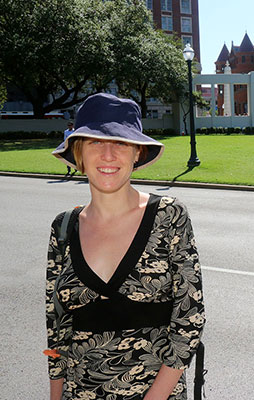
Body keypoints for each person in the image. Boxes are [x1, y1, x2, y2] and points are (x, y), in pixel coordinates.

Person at [45, 93, 205, 400]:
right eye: (94, 142)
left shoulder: (169, 216)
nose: (108, 154)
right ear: (79, 153)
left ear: (136, 153)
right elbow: (57, 328)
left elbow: (189, 321)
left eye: (120, 143)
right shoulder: (63, 227)